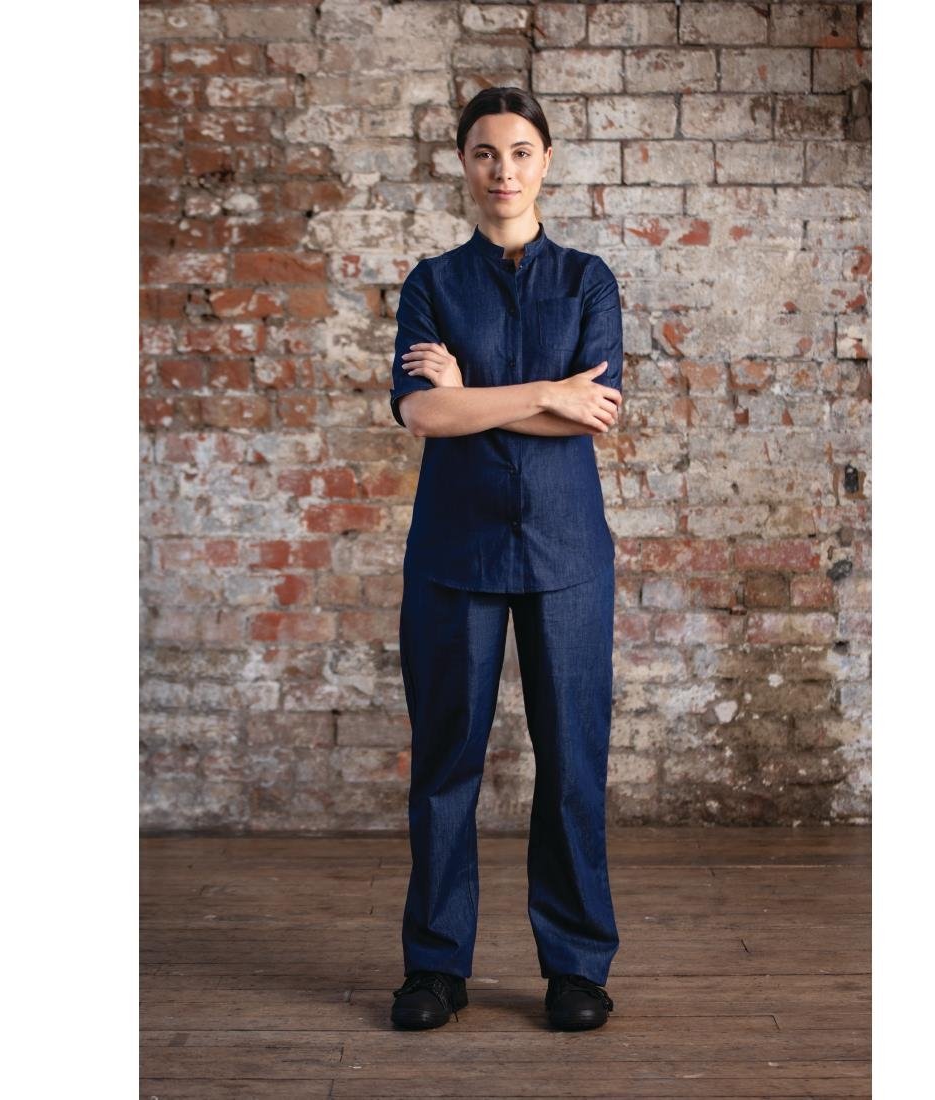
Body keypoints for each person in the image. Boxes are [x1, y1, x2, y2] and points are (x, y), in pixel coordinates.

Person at [388, 87, 623, 1033]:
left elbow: (592, 414)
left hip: (568, 552)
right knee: (446, 765)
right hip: (456, 550)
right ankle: (435, 967)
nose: (503, 170)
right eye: (485, 152)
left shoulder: (589, 281)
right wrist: (542, 393)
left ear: (546, 161)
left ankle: (576, 968)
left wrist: (476, 395)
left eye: (520, 151)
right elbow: (422, 413)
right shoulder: (432, 283)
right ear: (464, 164)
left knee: (572, 765)